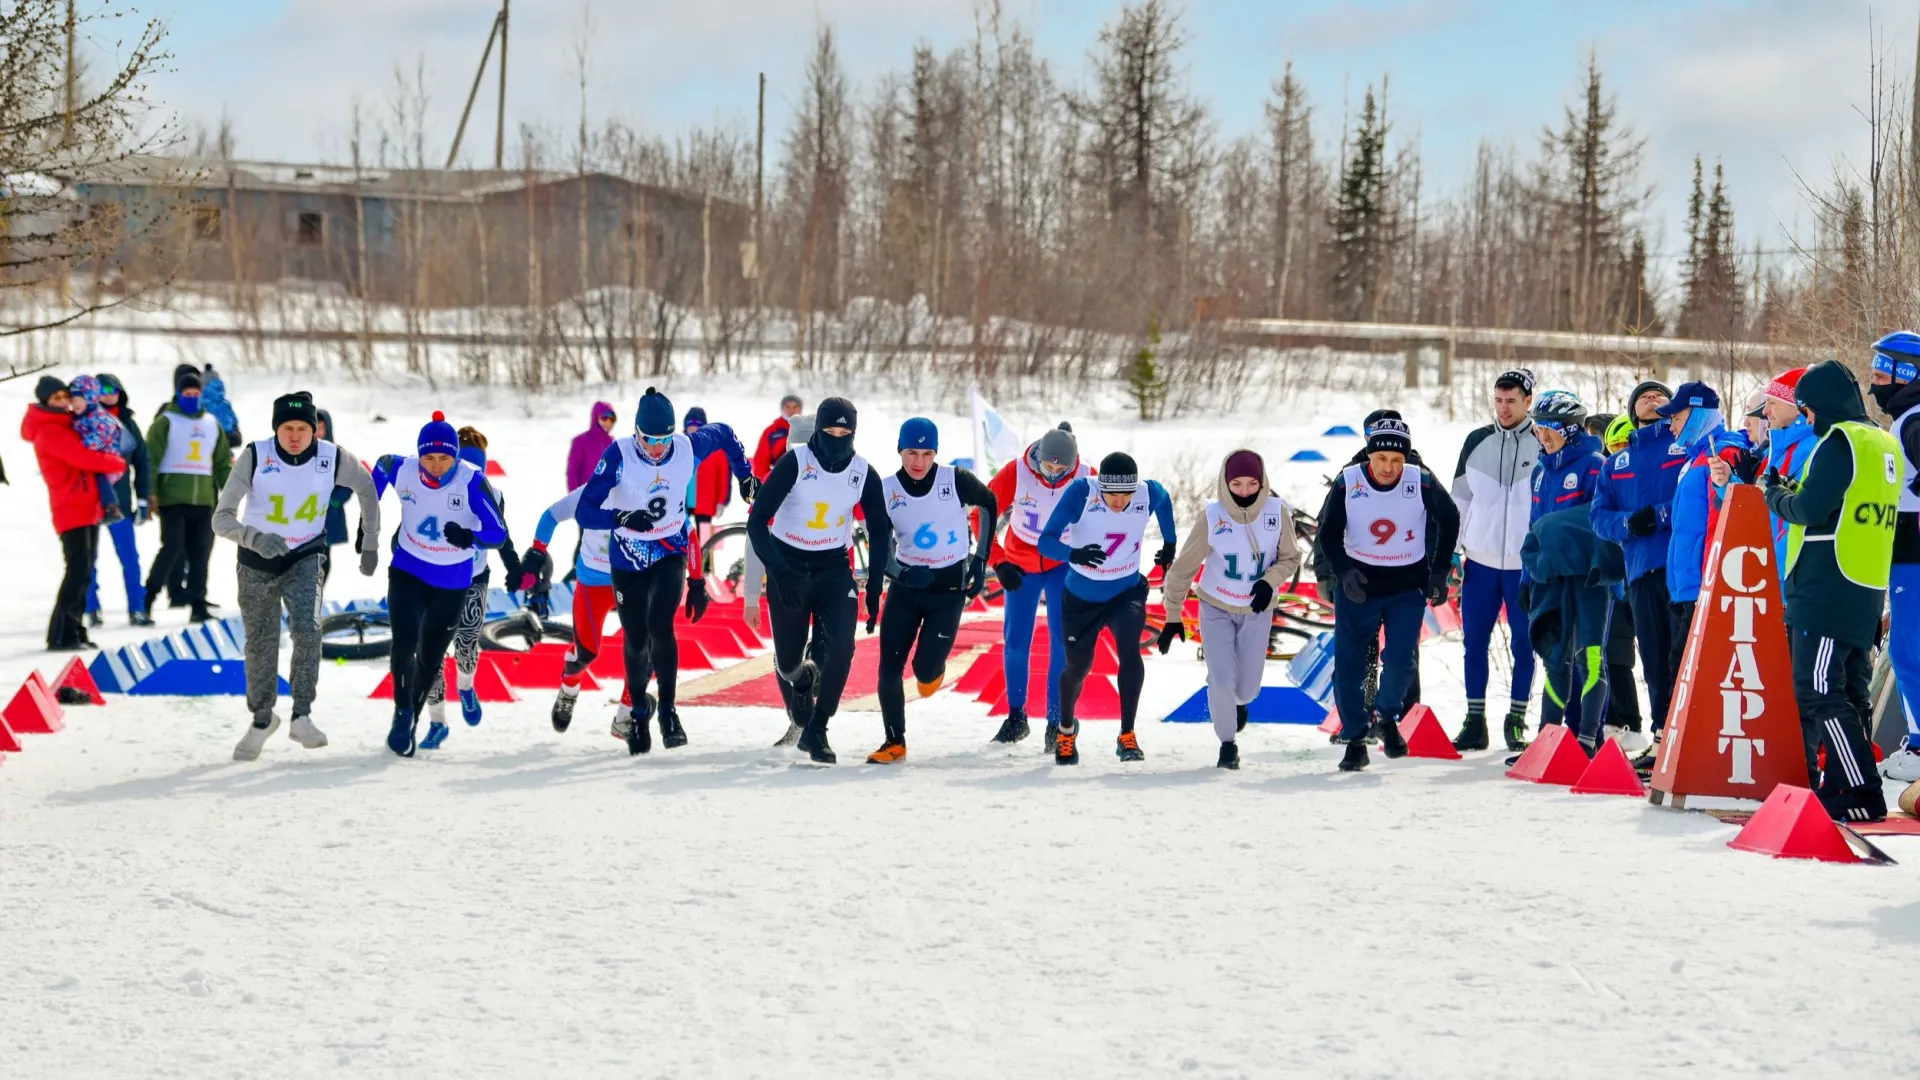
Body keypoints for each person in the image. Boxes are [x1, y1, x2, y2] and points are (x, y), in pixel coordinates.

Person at [577, 388, 753, 755]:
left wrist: (745, 476)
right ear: (636, 433)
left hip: (670, 550)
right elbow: (585, 510)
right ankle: (638, 713)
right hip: (627, 556)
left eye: (663, 440)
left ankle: (669, 712)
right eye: (648, 440)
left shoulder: (687, 447)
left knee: (661, 627)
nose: (657, 449)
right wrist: (621, 517)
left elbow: (724, 433)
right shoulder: (619, 455)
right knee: (636, 639)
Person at [213, 392, 381, 761]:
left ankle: (301, 715)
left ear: (314, 429)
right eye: (287, 428)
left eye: (302, 428)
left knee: (307, 628)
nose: (294, 436)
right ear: (276, 429)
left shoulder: (331, 457)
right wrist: (255, 538)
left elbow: (367, 488)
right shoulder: (256, 456)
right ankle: (261, 718)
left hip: (305, 556)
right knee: (261, 641)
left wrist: (369, 541)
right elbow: (221, 518)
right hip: (256, 564)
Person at [1762, 359, 1896, 822]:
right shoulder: (1880, 440)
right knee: (1850, 692)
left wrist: (1774, 495)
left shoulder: (1840, 441)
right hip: (1864, 582)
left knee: (1817, 690)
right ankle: (1843, 786)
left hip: (1826, 584)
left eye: (1807, 411)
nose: (1807, 421)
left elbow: (1809, 508)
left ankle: (1859, 788)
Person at [746, 397, 892, 764]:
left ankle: (818, 730)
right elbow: (756, 522)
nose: (838, 438)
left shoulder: (863, 472)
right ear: (818, 431)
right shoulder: (795, 463)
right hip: (789, 566)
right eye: (830, 431)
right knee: (790, 662)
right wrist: (777, 573)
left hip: (832, 568)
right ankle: (799, 681)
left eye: (846, 432)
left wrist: (874, 588)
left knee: (843, 647)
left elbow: (879, 531)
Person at [1315, 418, 1460, 772]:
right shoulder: (1348, 481)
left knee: (1399, 660)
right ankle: (1354, 739)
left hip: (1405, 585)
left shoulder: (1420, 480)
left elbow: (1450, 517)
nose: (1389, 468)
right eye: (1381, 459)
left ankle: (1386, 716)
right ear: (1369, 455)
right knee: (1349, 667)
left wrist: (1438, 570)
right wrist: (1342, 570)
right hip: (1359, 586)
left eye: (1397, 461)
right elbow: (1328, 532)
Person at [371, 412, 507, 758]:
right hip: (408, 569)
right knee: (404, 645)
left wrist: (468, 537)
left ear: (456, 456)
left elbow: (498, 533)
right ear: (419, 454)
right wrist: (367, 526)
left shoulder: (470, 481)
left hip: (453, 580)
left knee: (431, 658)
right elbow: (380, 470)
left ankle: (413, 719)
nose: (435, 465)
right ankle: (402, 713)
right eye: (428, 458)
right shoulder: (402, 469)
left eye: (444, 457)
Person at [866, 418, 996, 764]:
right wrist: (902, 573)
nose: (918, 461)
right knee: (889, 668)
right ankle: (894, 741)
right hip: (906, 590)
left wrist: (981, 560)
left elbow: (989, 503)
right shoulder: (886, 489)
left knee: (924, 672)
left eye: (926, 453)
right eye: (911, 453)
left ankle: (933, 670)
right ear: (900, 451)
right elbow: (878, 544)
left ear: (936, 453)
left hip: (948, 589)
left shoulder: (954, 480)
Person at [1159, 449, 1300, 769]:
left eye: (1252, 483)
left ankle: (1238, 704)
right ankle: (1227, 744)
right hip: (1215, 606)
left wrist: (1269, 582)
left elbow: (1291, 558)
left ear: (1263, 482)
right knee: (1220, 678)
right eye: (1237, 484)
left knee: (1247, 687)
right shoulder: (1212, 516)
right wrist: (1172, 615)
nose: (1245, 491)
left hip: (1256, 609)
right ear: (1225, 482)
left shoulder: (1277, 514)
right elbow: (1183, 568)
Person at [1035, 452, 1177, 765]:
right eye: (1111, 493)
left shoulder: (1146, 492)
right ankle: (1066, 731)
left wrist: (1170, 542)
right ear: (1101, 487)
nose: (1118, 501)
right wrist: (1074, 554)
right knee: (1078, 667)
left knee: (1129, 651)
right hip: (1081, 597)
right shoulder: (1081, 493)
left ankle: (1127, 735)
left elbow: (1164, 499)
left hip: (1125, 592)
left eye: (1125, 494)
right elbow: (1045, 541)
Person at [1590, 379, 1684, 760]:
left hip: (1683, 569)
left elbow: (1697, 495)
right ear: (1632, 412)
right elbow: (1599, 517)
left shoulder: (1684, 446)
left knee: (1683, 655)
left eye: (1660, 395)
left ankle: (1688, 736)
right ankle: (1662, 737)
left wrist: (1660, 515)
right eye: (1643, 396)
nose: (1652, 398)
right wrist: (1629, 524)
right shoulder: (1616, 463)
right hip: (1640, 571)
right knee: (1653, 655)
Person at [983, 424, 1091, 749]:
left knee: (1062, 643)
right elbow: (982, 514)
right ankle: (1017, 718)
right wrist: (998, 560)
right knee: (1016, 642)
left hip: (1062, 567)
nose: (1054, 474)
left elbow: (1109, 520)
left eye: (1062, 468)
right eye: (1048, 466)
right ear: (1038, 458)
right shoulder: (1016, 471)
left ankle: (1056, 722)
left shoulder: (1087, 477)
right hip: (1020, 564)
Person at [1450, 370, 1540, 752]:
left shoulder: (1542, 441)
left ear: (1528, 402)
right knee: (1474, 643)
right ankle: (1474, 720)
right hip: (1481, 563)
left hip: (1524, 566)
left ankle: (1516, 719)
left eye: (1512, 401)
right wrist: (1453, 550)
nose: (1503, 409)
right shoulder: (1477, 441)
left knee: (1524, 643)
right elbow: (1459, 499)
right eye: (1499, 400)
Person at [1520, 391, 1615, 753]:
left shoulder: (1594, 463)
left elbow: (1598, 519)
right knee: (1553, 656)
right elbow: (1535, 528)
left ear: (1572, 430)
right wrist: (1526, 579)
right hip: (1551, 577)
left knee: (1589, 655)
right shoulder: (1540, 471)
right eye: (1538, 430)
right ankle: (1547, 742)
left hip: (1588, 577)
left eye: (1550, 430)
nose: (1542, 437)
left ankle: (1588, 739)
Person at [418, 427, 522, 751]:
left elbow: (502, 535)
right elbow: (410, 526)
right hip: (431, 577)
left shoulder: (493, 493)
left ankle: (465, 685)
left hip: (473, 577)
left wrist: (515, 566)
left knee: (466, 644)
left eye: (480, 469)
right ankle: (437, 722)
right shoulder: (430, 489)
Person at [522, 483, 634, 739]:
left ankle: (627, 714)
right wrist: (538, 551)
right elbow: (551, 515)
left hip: (633, 580)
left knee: (642, 646)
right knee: (586, 652)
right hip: (593, 582)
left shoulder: (645, 488)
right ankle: (569, 690)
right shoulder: (592, 490)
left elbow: (678, 524)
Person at [22, 376, 124, 650]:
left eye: (64, 395)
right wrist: (116, 462)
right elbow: (84, 458)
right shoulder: (50, 431)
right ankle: (60, 634)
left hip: (86, 505)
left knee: (85, 572)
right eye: (56, 398)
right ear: (45, 402)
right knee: (77, 571)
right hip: (71, 506)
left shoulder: (68, 425)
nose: (63, 401)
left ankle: (75, 630)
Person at [1661, 383, 1747, 663]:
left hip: (1705, 584)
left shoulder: (1721, 453)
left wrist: (1711, 582)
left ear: (1698, 415)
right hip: (1686, 586)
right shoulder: (1694, 459)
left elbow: (1730, 515)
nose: (1671, 427)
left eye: (1676, 418)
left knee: (1683, 668)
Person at [1867, 334, 1920, 783]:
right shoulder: (1905, 419)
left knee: (1906, 651)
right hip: (1904, 553)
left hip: (1914, 554)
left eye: (1882, 375)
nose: (1875, 386)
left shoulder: (1914, 421)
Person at [143, 367, 231, 623]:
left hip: (203, 500)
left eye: (196, 393)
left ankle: (198, 603)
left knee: (200, 553)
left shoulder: (211, 424)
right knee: (171, 549)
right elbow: (151, 459)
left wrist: (231, 492)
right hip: (172, 499)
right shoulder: (166, 422)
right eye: (187, 393)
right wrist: (150, 493)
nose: (192, 397)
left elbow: (222, 462)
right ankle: (147, 598)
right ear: (179, 394)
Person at [85, 374, 154, 627]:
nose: (109, 393)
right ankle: (91, 608)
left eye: (115, 389)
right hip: (89, 502)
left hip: (120, 503)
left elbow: (143, 462)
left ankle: (137, 608)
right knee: (87, 558)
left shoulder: (127, 423)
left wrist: (144, 498)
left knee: (129, 558)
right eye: (103, 389)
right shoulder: (84, 421)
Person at [741, 414, 814, 627]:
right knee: (789, 650)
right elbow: (754, 541)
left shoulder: (838, 477)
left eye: (809, 447)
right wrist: (751, 598)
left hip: (827, 577)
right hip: (786, 576)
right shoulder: (773, 482)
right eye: (797, 447)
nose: (803, 454)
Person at [564, 401, 617, 582]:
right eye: (604, 418)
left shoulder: (612, 443)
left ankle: (598, 578)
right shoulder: (581, 441)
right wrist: (575, 499)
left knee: (602, 542)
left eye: (611, 419)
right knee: (584, 539)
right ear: (595, 418)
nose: (607, 423)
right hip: (586, 501)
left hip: (608, 502)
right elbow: (572, 472)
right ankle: (574, 577)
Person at [65, 376, 127, 526]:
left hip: (109, 459)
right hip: (95, 458)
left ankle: (111, 507)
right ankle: (96, 512)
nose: (76, 403)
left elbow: (102, 434)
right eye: (73, 400)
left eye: (80, 399)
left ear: (92, 398)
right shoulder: (78, 417)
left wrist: (82, 446)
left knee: (99, 479)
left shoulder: (99, 416)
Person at [683, 406, 734, 548]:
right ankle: (681, 563)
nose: (693, 429)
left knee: (704, 536)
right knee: (680, 534)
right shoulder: (678, 445)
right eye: (690, 426)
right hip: (682, 500)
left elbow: (724, 476)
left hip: (705, 500)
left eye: (697, 426)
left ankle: (705, 567)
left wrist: (722, 501)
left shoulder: (715, 447)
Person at [750, 393, 805, 482]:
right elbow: (761, 460)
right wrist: (764, 483)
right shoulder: (771, 432)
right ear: (782, 408)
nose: (791, 410)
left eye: (795, 407)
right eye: (788, 407)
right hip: (778, 481)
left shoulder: (810, 430)